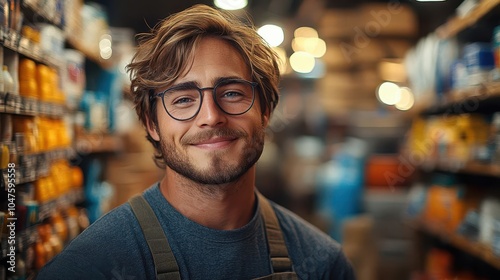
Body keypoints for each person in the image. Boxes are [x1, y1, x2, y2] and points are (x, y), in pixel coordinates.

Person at [38, 4, 355, 280]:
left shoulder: (322, 264)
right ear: (153, 124)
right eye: (184, 99)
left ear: (266, 111)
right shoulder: (92, 267)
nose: (211, 116)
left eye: (231, 93)